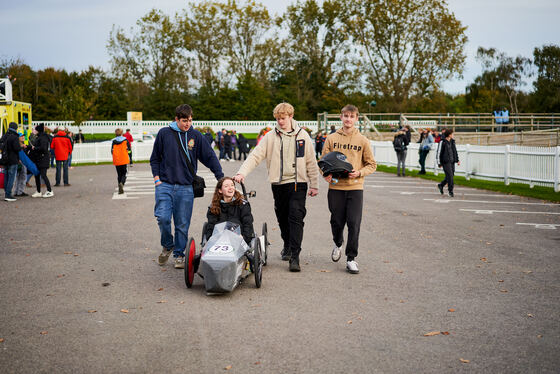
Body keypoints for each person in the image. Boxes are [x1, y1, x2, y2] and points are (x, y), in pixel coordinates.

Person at [233, 102, 319, 272]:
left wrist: (314, 184)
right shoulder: (270, 137)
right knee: (282, 217)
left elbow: (311, 161)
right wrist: (242, 173)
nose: (280, 121)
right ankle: (287, 244)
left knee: (296, 217)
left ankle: (295, 256)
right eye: (278, 119)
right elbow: (256, 155)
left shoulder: (303, 136)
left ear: (291, 116)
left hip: (298, 183)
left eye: (283, 118)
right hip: (278, 184)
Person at [150, 104, 224, 269]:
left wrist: (221, 178)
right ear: (176, 119)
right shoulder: (164, 133)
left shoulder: (195, 136)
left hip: (186, 187)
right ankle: (168, 244)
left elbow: (210, 157)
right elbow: (155, 158)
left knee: (182, 224)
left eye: (190, 120)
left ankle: (179, 254)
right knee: (162, 218)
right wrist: (157, 179)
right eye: (184, 120)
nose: (188, 124)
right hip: (165, 185)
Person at [321, 105, 376, 274]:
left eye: (351, 116)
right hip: (336, 187)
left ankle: (351, 258)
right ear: (341, 117)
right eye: (345, 116)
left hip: (355, 187)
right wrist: (326, 175)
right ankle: (338, 242)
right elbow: (323, 161)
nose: (348, 119)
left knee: (354, 223)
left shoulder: (363, 140)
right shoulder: (331, 138)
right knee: (336, 221)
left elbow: (372, 165)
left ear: (356, 119)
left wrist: (359, 173)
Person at [204, 177, 254, 246]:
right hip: (219, 240)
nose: (230, 188)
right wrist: (211, 240)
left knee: (235, 221)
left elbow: (247, 224)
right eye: (226, 186)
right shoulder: (214, 207)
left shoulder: (243, 205)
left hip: (239, 239)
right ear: (220, 190)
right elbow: (211, 225)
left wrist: (244, 238)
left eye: (232, 185)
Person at [30, 123, 54, 198]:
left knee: (43, 175)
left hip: (43, 159)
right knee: (37, 175)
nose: (34, 130)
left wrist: (35, 148)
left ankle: (50, 191)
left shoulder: (43, 137)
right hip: (39, 159)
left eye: (35, 129)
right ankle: (38, 191)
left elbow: (43, 148)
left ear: (38, 131)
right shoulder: (39, 137)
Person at [2, 122, 22, 201]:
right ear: (16, 128)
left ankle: (6, 192)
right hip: (13, 160)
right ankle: (8, 194)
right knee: (11, 178)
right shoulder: (14, 137)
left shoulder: (4, 135)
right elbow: (17, 148)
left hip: (5, 159)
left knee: (6, 176)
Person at [437, 129, 460, 197]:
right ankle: (451, 191)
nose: (453, 135)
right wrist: (439, 163)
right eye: (452, 134)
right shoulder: (442, 142)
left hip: (452, 161)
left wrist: (457, 160)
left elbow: (454, 151)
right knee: (450, 176)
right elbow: (439, 152)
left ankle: (441, 185)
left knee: (450, 176)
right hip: (445, 162)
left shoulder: (452, 142)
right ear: (449, 135)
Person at [111, 128, 131, 194]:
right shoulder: (125, 140)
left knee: (119, 174)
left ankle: (119, 185)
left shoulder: (113, 141)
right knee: (124, 173)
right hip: (124, 159)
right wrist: (129, 157)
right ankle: (122, 183)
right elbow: (129, 150)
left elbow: (112, 151)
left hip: (117, 160)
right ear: (122, 133)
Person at [14, 132, 29, 197]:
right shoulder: (19, 145)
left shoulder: (23, 145)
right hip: (20, 162)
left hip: (21, 162)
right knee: (22, 177)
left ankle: (17, 191)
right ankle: (20, 191)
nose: (23, 137)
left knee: (19, 177)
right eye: (21, 136)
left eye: (23, 136)